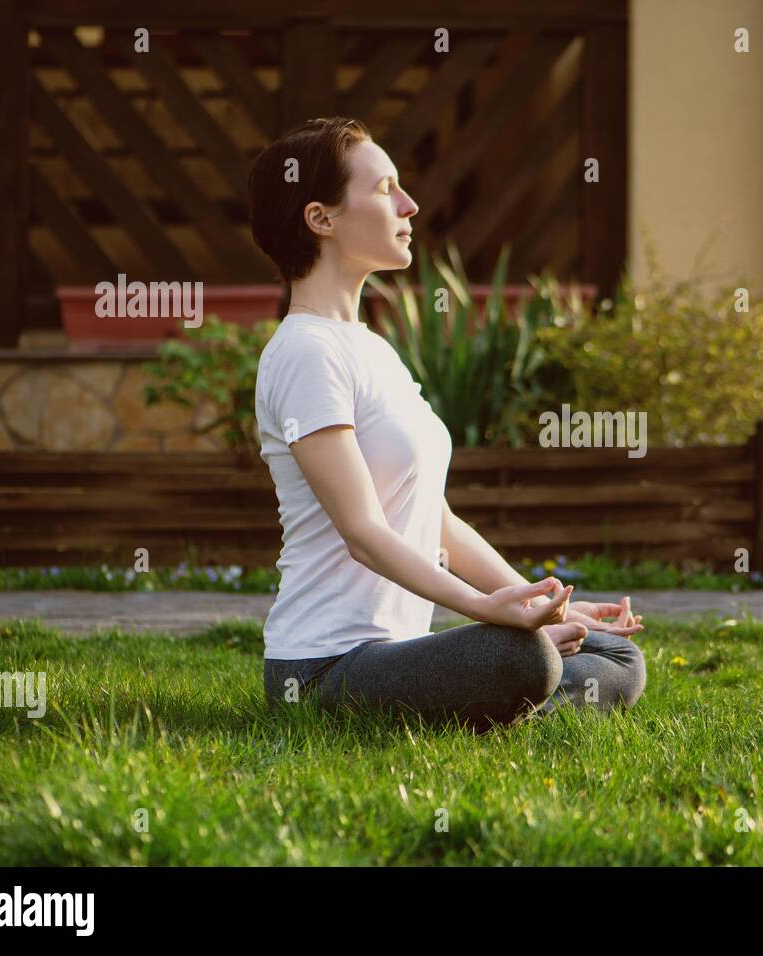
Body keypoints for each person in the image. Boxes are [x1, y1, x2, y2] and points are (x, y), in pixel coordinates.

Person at [246, 117, 646, 732]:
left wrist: (541, 604)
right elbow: (362, 531)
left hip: (398, 656)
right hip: (324, 667)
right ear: (321, 218)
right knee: (521, 656)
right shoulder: (305, 353)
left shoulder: (369, 347)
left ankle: (496, 704)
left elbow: (437, 520)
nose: (409, 205)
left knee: (616, 657)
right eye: (384, 190)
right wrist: (486, 609)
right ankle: (507, 702)